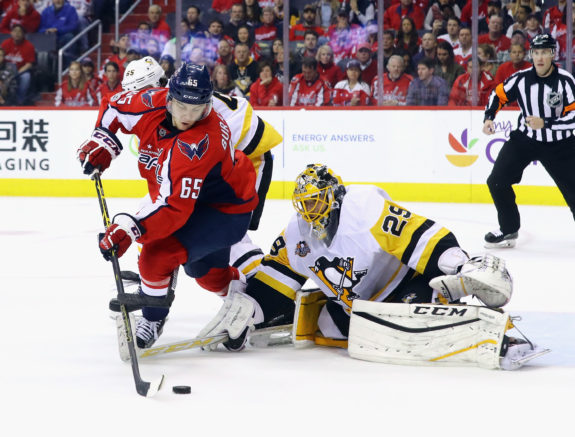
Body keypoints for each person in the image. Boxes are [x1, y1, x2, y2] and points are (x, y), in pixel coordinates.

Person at [196, 163, 546, 370]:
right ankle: (411, 322)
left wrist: (459, 264)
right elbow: (275, 279)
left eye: (316, 201)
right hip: (359, 307)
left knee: (415, 311)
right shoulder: (296, 233)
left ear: (333, 195)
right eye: (304, 204)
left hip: (405, 285)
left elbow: (419, 236)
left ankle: (475, 323)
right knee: (326, 325)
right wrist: (250, 312)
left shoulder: (363, 207)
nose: (309, 211)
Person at [77, 63, 259, 349]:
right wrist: (104, 140)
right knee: (206, 275)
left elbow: (174, 210)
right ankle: (245, 295)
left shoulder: (199, 141)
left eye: (196, 109)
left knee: (157, 255)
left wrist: (129, 228)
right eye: (182, 107)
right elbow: (113, 106)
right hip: (191, 200)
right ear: (169, 98)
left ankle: (153, 316)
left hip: (224, 210)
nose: (188, 116)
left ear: (207, 105)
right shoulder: (151, 101)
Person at [119, 56, 282, 297]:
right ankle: (160, 275)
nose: (138, 100)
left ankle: (265, 293)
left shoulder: (189, 104)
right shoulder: (165, 109)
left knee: (224, 231)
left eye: (142, 92)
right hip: (225, 162)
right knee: (164, 214)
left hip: (249, 158)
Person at [482, 34, 575, 248]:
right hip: (525, 139)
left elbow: (574, 117)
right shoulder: (521, 78)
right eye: (536, 52)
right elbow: (498, 95)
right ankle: (508, 229)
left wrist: (546, 123)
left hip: (561, 144)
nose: (540, 57)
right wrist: (489, 117)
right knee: (497, 181)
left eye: (545, 52)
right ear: (531, 54)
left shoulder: (566, 81)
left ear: (553, 54)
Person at [0, 24, 34, 105]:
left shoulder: (29, 46)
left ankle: (19, 101)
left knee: (26, 77)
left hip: (19, 71)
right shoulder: (5, 43)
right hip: (5, 68)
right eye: (15, 31)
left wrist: (17, 73)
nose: (17, 33)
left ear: (23, 34)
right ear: (11, 33)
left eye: (20, 31)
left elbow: (29, 64)